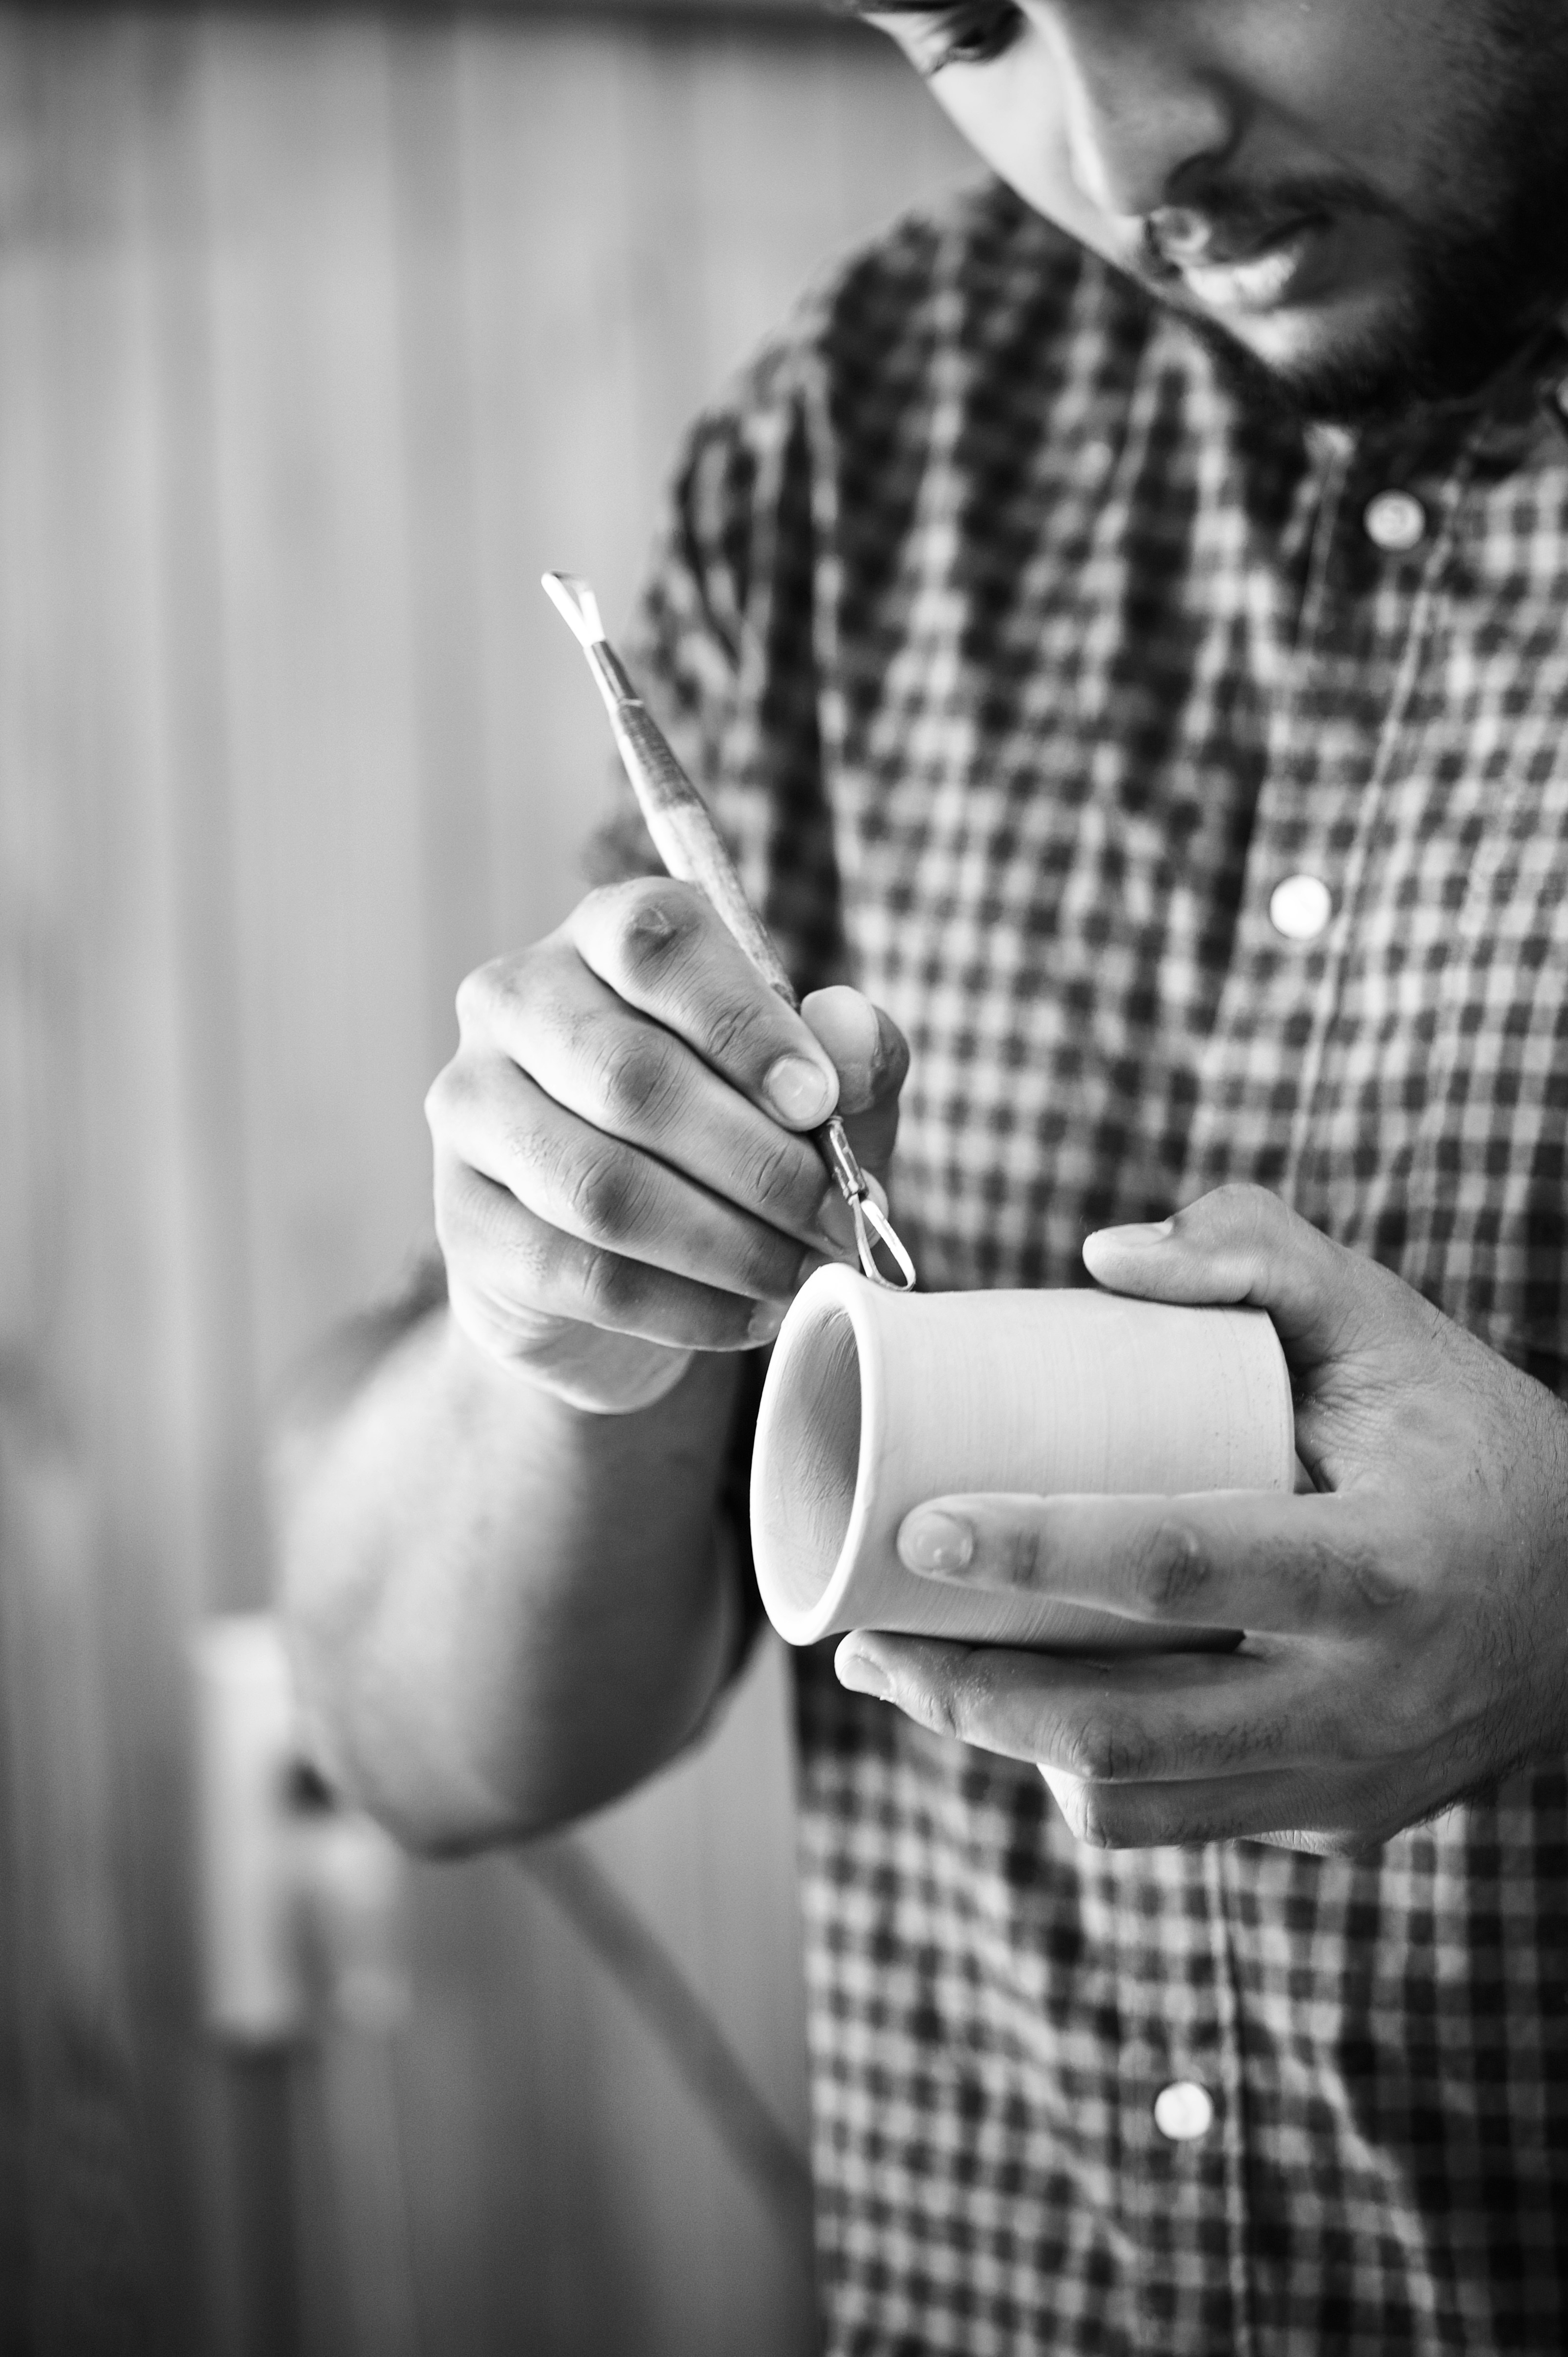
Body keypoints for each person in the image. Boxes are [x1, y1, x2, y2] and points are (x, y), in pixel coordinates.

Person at [278, 4, 1568, 2347]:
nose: (1125, 144)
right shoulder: (867, 428)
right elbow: (410, 1735)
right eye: (966, 27)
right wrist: (571, 1308)